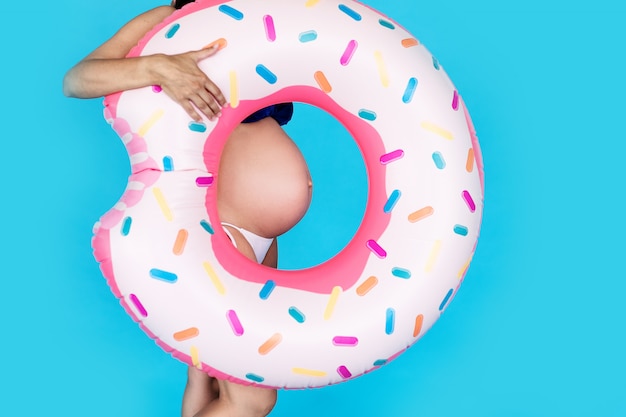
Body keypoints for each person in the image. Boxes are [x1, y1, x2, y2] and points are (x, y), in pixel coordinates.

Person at [63, 1, 313, 416]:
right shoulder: (171, 18)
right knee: (253, 397)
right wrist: (158, 67)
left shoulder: (268, 14)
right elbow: (76, 80)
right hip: (216, 229)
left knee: (211, 379)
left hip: (257, 236)